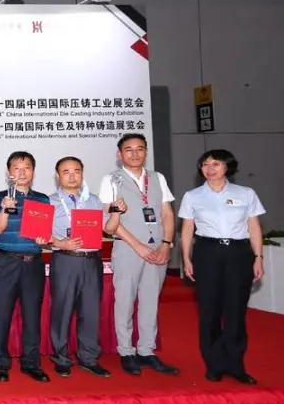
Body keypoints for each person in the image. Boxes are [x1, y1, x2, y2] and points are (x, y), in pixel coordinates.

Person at [179, 149, 265, 384]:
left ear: (227, 167)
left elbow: (254, 227)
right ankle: (214, 364)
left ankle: (236, 365)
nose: (210, 169)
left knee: (236, 311)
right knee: (209, 311)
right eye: (205, 165)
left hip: (238, 253)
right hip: (207, 252)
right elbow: (187, 229)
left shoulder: (245, 193)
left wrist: (258, 257)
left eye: (215, 164)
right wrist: (186, 258)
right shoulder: (193, 196)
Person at [99, 133, 180, 376]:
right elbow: (109, 222)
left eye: (140, 149)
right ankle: (126, 351)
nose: (135, 154)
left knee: (150, 301)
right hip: (128, 249)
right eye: (129, 149)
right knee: (124, 301)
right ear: (119, 154)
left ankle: (146, 350)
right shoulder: (111, 180)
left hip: (157, 249)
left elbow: (167, 213)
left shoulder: (157, 178)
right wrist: (137, 245)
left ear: (146, 151)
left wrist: (166, 244)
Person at [48, 156, 121, 378]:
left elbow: (109, 229)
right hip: (65, 260)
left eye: (76, 171)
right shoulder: (49, 202)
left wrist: (116, 213)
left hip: (91, 261)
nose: (72, 176)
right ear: (58, 176)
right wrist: (61, 243)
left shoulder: (94, 201)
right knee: (62, 311)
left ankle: (88, 358)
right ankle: (61, 358)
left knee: (90, 312)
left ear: (82, 173)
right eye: (66, 172)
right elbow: (39, 235)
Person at [0, 151, 51, 383]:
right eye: (17, 168)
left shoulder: (43, 199)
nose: (22, 172)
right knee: (1, 314)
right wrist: (5, 209)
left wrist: (44, 240)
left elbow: (45, 236)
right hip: (6, 261)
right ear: (9, 172)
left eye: (27, 168)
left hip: (33, 262)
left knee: (32, 316)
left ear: (33, 171)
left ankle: (31, 363)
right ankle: (0, 363)